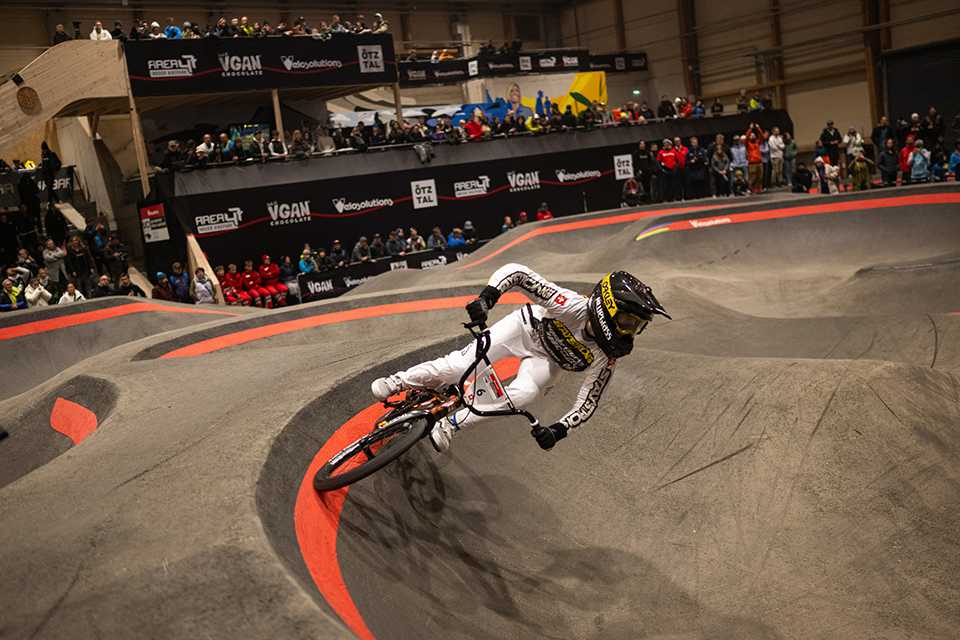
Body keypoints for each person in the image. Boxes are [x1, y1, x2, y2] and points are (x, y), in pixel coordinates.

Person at [371, 265, 670, 451]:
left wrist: (560, 429)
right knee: (459, 366)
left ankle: (451, 424)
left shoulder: (607, 356)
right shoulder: (570, 305)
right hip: (524, 330)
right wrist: (488, 297)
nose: (631, 333)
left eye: (637, 327)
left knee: (525, 394)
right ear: (609, 309)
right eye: (630, 322)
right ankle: (399, 380)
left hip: (548, 363)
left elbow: (589, 400)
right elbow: (519, 274)